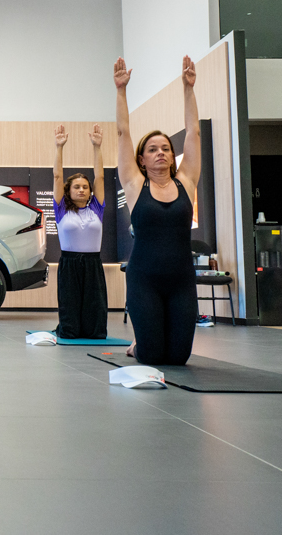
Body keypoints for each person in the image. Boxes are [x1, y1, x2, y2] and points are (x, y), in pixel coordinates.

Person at [115, 55, 201, 365]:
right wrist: (121, 90)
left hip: (181, 279)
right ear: (142, 160)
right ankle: (140, 341)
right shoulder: (136, 187)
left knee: (178, 358)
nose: (161, 153)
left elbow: (193, 133)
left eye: (165, 148)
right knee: (150, 356)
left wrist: (188, 89)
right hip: (144, 279)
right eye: (152, 149)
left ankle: (149, 335)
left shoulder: (186, 182)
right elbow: (123, 134)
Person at [52, 123, 108, 339]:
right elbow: (57, 177)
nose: (82, 189)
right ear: (69, 190)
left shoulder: (97, 208)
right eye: (77, 186)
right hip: (69, 263)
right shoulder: (62, 209)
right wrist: (59, 147)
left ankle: (94, 330)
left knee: (94, 310)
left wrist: (97, 147)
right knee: (70, 313)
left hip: (93, 263)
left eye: (85, 186)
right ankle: (70, 328)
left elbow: (100, 177)